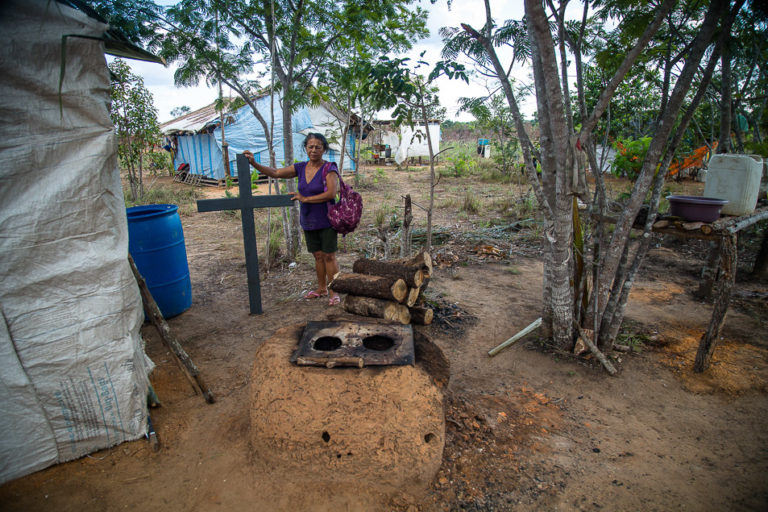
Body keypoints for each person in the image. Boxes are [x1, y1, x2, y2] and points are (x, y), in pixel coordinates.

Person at [243, 133, 341, 305]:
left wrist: (305, 199)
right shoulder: (301, 168)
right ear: (305, 148)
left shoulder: (329, 168)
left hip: (327, 219)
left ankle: (334, 292)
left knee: (329, 256)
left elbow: (331, 193)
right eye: (310, 146)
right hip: (309, 219)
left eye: (318, 147)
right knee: (318, 256)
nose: (314, 150)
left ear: (324, 149)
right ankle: (321, 288)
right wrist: (253, 163)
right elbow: (275, 172)